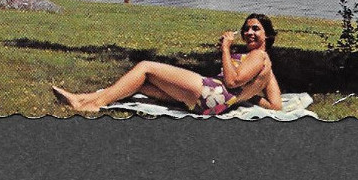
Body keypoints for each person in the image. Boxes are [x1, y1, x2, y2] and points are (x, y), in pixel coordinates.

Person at [51, 13, 282, 115]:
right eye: (247, 28)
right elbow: (276, 106)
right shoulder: (266, 66)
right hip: (216, 104)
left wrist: (225, 48)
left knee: (145, 67)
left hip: (212, 92)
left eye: (256, 29)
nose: (249, 32)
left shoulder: (258, 56)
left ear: (268, 36)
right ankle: (82, 98)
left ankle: (92, 104)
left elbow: (232, 81)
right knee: (139, 85)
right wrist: (248, 96)